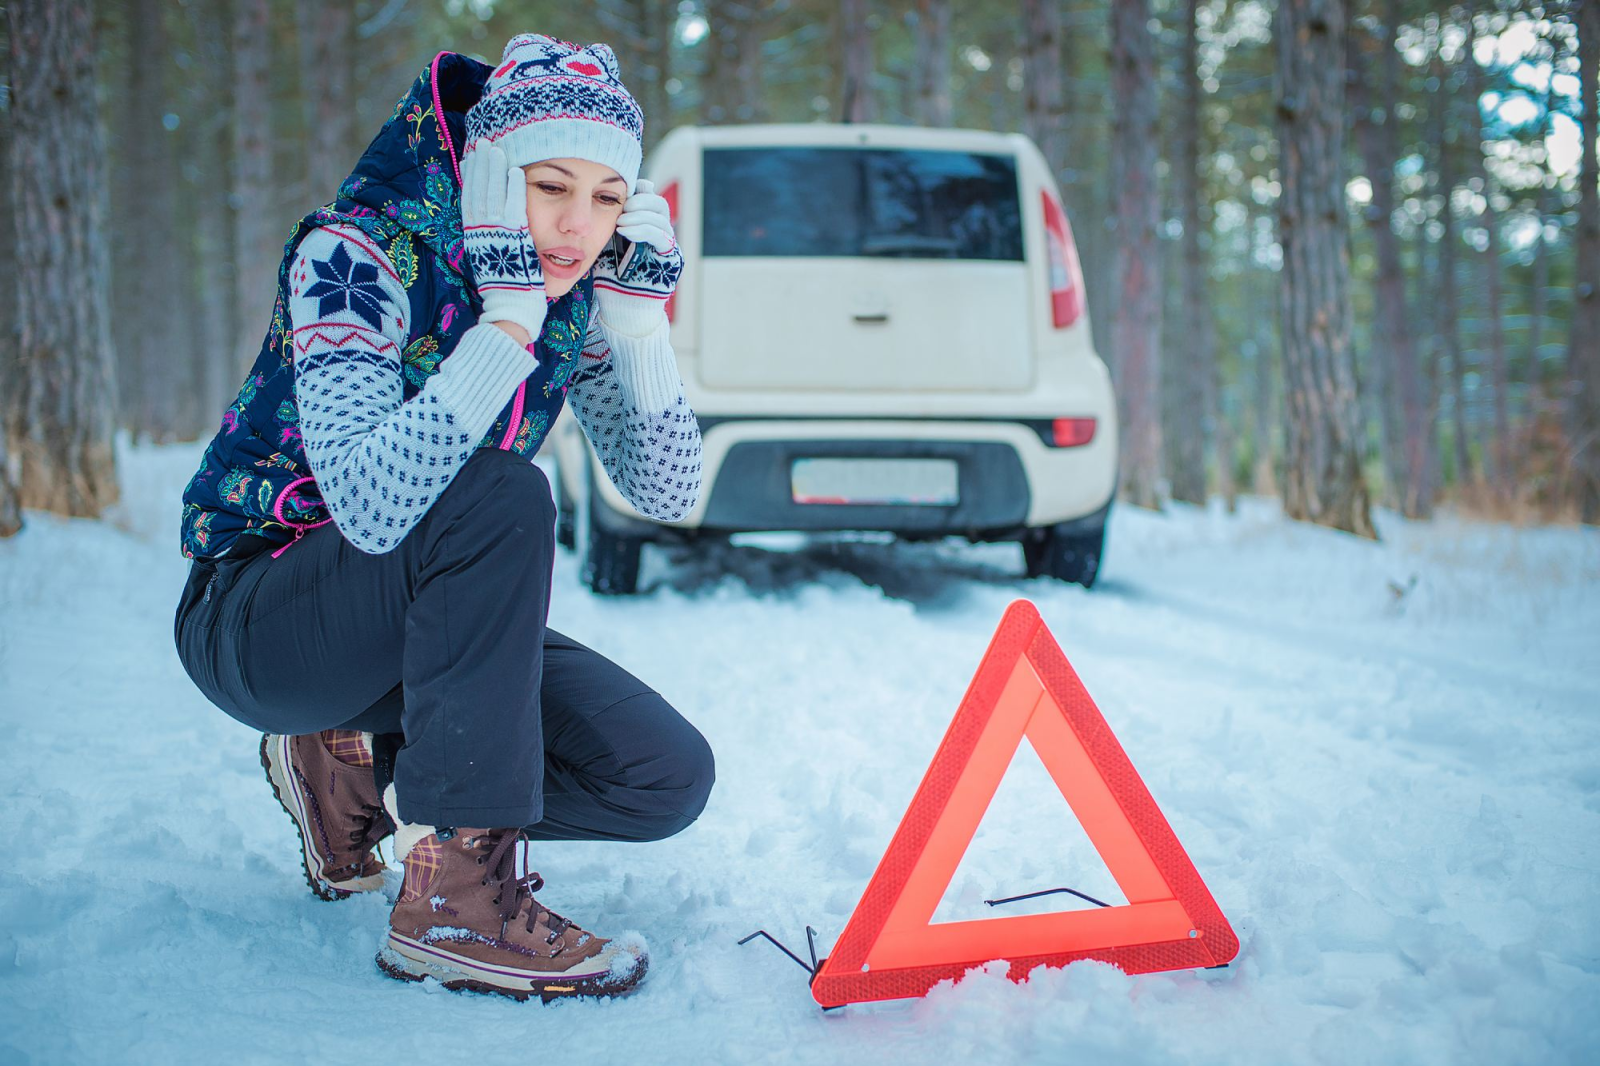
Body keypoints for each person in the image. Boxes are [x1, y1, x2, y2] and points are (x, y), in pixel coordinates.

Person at [172, 34, 713, 1002]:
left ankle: (351, 766)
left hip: (411, 630)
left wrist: (638, 328)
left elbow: (666, 491)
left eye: (605, 197)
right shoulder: (355, 255)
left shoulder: (570, 292)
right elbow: (372, 509)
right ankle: (456, 897)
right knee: (501, 490)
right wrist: (505, 325)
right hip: (257, 619)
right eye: (551, 186)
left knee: (659, 775)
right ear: (491, 175)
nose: (578, 225)